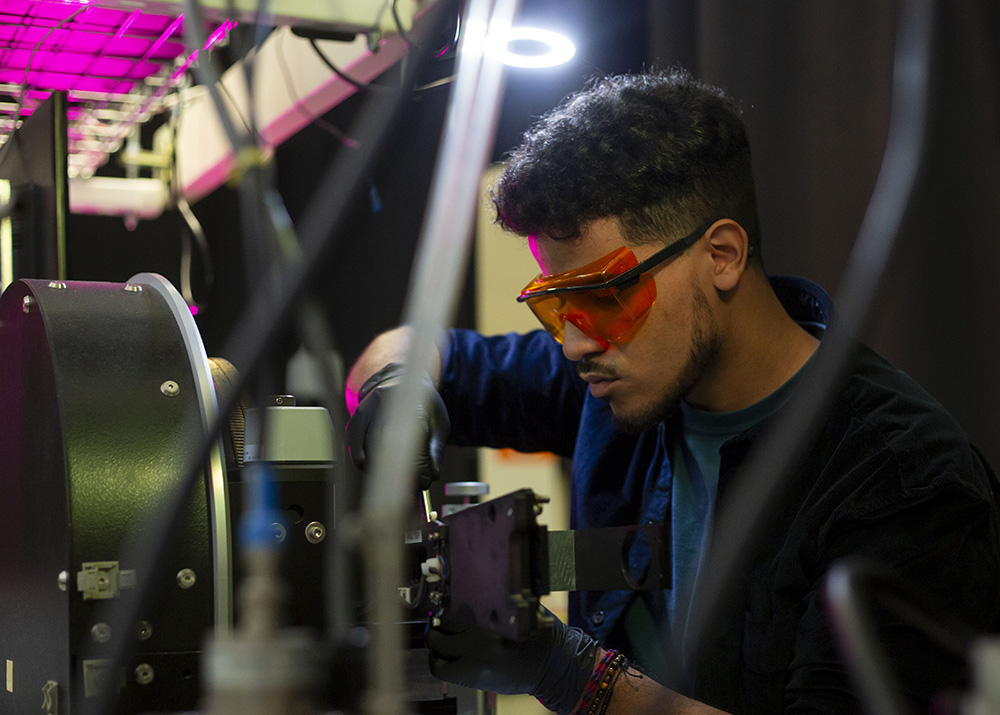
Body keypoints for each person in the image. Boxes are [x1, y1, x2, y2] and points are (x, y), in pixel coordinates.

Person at [344, 69, 1000, 714]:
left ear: (721, 255)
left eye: (602, 297)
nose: (574, 344)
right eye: (557, 303)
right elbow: (399, 350)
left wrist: (569, 672)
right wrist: (392, 394)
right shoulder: (615, 381)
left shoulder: (902, 477)